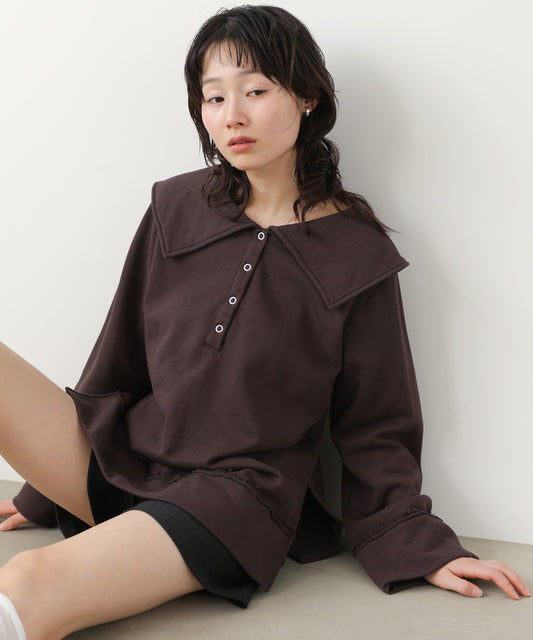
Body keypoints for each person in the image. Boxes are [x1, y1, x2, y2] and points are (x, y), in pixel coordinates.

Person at [0, 5, 529, 639]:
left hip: (231, 502)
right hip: (127, 459)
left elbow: (376, 425)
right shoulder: (175, 205)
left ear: (307, 97)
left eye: (255, 91)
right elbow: (118, 360)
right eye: (214, 97)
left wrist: (416, 544)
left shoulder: (358, 256)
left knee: (28, 581)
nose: (233, 115)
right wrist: (45, 489)